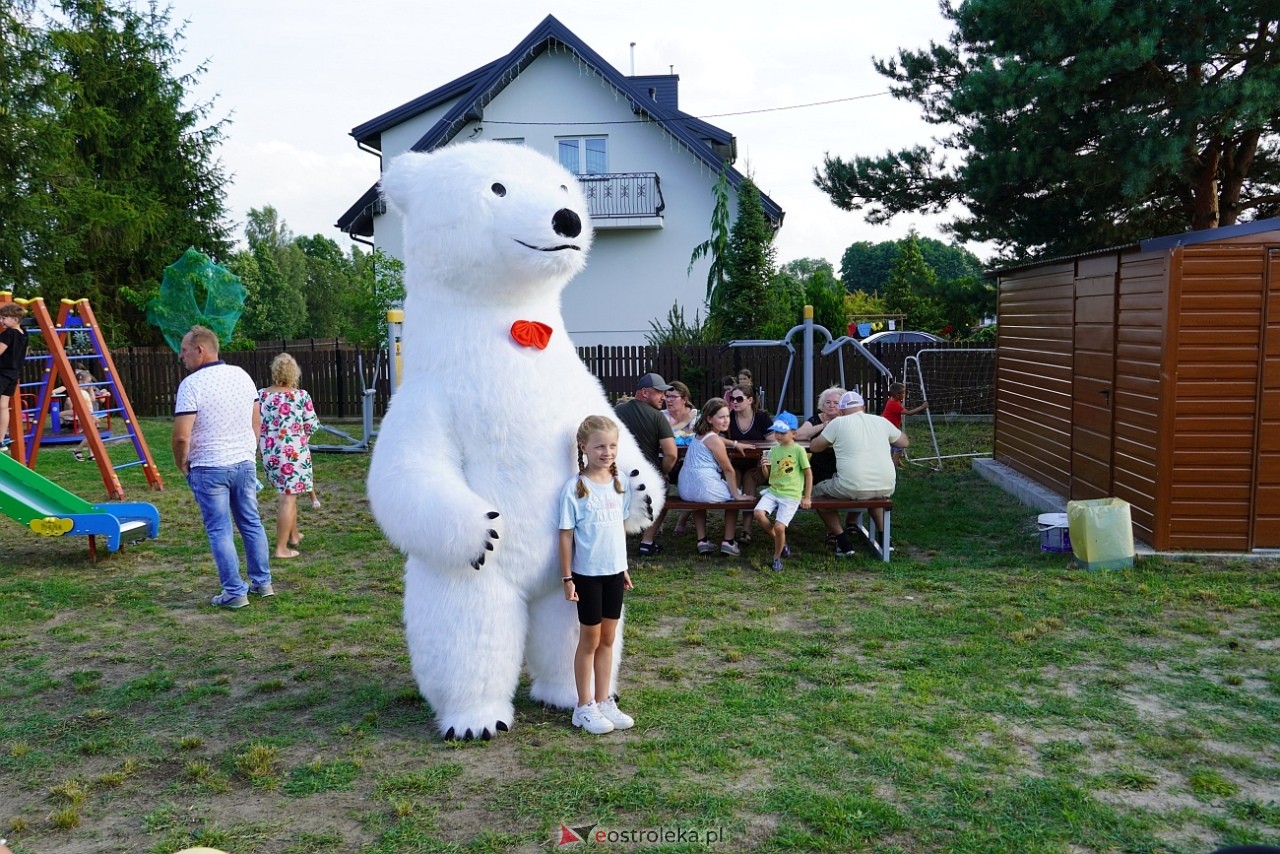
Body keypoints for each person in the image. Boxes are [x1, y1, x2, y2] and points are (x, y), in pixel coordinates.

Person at [172, 325, 273, 608]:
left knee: (220, 530)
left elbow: (181, 436)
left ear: (200, 350)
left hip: (208, 467)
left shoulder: (191, 385)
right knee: (251, 523)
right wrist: (248, 450)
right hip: (243, 463)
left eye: (184, 351)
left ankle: (233, 592)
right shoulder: (242, 376)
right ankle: (262, 583)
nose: (181, 356)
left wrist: (182, 463)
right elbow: (257, 421)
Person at [559, 415, 635, 735]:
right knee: (589, 640)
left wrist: (625, 566)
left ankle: (604, 700)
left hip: (614, 573)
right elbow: (565, 536)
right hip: (587, 576)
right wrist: (567, 578)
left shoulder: (620, 485)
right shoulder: (575, 489)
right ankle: (584, 706)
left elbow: (618, 528)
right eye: (600, 446)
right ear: (584, 448)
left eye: (612, 445)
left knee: (608, 638)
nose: (607, 452)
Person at [809, 390, 908, 557]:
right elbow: (904, 441)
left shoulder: (838, 423)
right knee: (874, 497)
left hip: (852, 486)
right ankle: (885, 539)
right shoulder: (881, 421)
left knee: (816, 494)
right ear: (863, 406)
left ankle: (843, 541)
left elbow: (814, 447)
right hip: (887, 485)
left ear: (840, 410)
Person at [258, 352, 321, 559]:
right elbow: (310, 425)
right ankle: (281, 548)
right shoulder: (300, 396)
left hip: (270, 454)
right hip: (294, 453)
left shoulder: (262, 395)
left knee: (288, 495)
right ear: (295, 373)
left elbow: (255, 423)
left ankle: (294, 535)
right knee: (288, 498)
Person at [614, 372, 676, 556]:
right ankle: (647, 541)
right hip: (646, 477)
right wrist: (662, 473)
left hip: (617, 474)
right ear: (644, 393)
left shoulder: (615, 412)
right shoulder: (657, 417)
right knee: (663, 492)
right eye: (659, 392)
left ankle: (616, 545)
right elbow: (671, 454)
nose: (663, 397)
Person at [678, 397, 743, 556]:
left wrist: (734, 444)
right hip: (703, 487)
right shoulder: (714, 439)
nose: (726, 420)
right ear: (709, 418)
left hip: (685, 488)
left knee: (698, 502)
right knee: (736, 497)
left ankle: (702, 541)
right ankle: (728, 542)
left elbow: (717, 439)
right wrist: (735, 494)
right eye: (721, 417)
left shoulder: (699, 435)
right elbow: (728, 469)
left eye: (727, 416)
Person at [754, 417, 812, 571]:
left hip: (791, 494)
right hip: (773, 491)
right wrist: (764, 467)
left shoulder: (799, 450)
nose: (778, 436)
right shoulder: (773, 450)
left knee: (780, 527)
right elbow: (768, 477)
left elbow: (808, 474)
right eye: (776, 432)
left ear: (793, 433)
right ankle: (780, 541)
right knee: (758, 513)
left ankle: (777, 557)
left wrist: (806, 496)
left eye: (782, 432)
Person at [727, 382, 772, 539]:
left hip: (755, 464)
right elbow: (716, 438)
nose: (734, 402)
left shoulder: (761, 417)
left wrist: (764, 462)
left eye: (739, 399)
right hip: (733, 463)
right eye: (732, 399)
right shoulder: (728, 417)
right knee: (734, 485)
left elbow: (773, 442)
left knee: (749, 479)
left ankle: (746, 530)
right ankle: (729, 533)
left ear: (750, 400)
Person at [795, 386, 845, 487]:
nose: (831, 405)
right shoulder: (816, 419)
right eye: (828, 402)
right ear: (822, 404)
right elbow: (798, 435)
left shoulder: (846, 420)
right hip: (819, 465)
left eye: (836, 403)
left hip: (842, 465)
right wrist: (823, 425)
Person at [0, 302, 29, 452]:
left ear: (15, 320)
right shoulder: (24, 334)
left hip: (2, 372)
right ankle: (0, 440)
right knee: (3, 406)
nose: (1, 321)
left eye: (4, 318)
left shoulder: (8, 334)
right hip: (14, 374)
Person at [882, 381, 928, 467]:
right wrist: (922, 407)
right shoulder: (894, 404)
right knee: (899, 447)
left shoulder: (893, 400)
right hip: (888, 430)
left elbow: (899, 412)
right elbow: (909, 413)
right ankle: (893, 468)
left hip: (888, 429)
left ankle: (896, 462)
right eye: (903, 392)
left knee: (892, 447)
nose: (905, 394)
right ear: (897, 395)